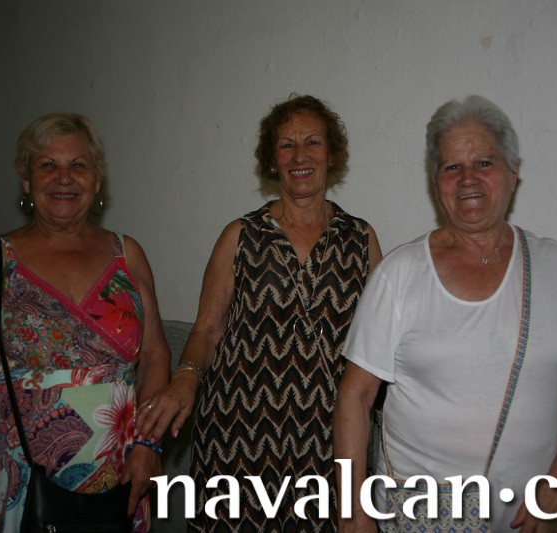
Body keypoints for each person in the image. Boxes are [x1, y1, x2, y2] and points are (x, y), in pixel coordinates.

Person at [334, 95, 557, 532]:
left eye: (484, 163)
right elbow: (356, 395)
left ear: (513, 171)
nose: (468, 179)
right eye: (452, 167)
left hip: (530, 518)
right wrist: (353, 511)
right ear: (436, 182)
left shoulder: (555, 265)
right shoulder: (399, 274)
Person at [135, 94, 383, 530]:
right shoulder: (241, 236)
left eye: (312, 142)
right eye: (287, 145)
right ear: (272, 160)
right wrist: (185, 377)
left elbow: (378, 347)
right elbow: (207, 330)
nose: (300, 156)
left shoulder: (361, 240)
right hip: (237, 439)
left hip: (330, 444)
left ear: (332, 154)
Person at [0, 113, 171, 532]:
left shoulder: (127, 256)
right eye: (47, 165)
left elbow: (154, 356)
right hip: (13, 482)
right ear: (26, 181)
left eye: (78, 165)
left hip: (118, 478)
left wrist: (149, 446)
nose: (64, 178)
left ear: (97, 180)